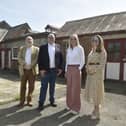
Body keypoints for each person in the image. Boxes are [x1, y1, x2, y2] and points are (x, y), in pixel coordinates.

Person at [38, 33, 63, 110]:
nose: (51, 38)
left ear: (55, 38)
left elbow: (61, 58)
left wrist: (60, 68)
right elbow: (39, 59)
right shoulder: (42, 47)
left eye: (52, 37)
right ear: (47, 39)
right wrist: (41, 70)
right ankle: (41, 103)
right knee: (43, 87)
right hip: (45, 71)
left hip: (54, 71)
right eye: (49, 37)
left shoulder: (58, 46)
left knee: (52, 87)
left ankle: (52, 101)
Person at [85, 35, 107, 119]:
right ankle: (95, 109)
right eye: (93, 40)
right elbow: (88, 62)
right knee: (92, 93)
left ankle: (97, 112)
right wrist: (87, 68)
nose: (94, 42)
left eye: (96, 40)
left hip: (97, 75)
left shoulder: (102, 51)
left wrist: (94, 70)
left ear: (100, 42)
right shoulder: (91, 51)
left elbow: (102, 64)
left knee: (96, 93)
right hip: (90, 75)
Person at [65, 34, 85, 114]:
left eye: (74, 39)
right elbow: (67, 61)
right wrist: (66, 70)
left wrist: (79, 69)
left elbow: (82, 60)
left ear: (77, 40)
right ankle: (69, 104)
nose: (73, 40)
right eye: (71, 39)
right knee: (69, 88)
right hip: (69, 69)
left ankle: (76, 107)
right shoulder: (68, 49)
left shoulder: (80, 48)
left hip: (76, 68)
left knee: (75, 89)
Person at [18, 36, 39, 107]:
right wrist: (24, 64)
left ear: (33, 41)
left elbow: (37, 58)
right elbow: (19, 58)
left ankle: (29, 101)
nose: (29, 41)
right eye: (28, 39)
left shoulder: (36, 49)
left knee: (31, 86)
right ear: (25, 41)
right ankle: (21, 101)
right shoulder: (22, 49)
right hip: (23, 70)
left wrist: (31, 65)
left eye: (30, 39)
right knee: (22, 86)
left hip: (32, 70)